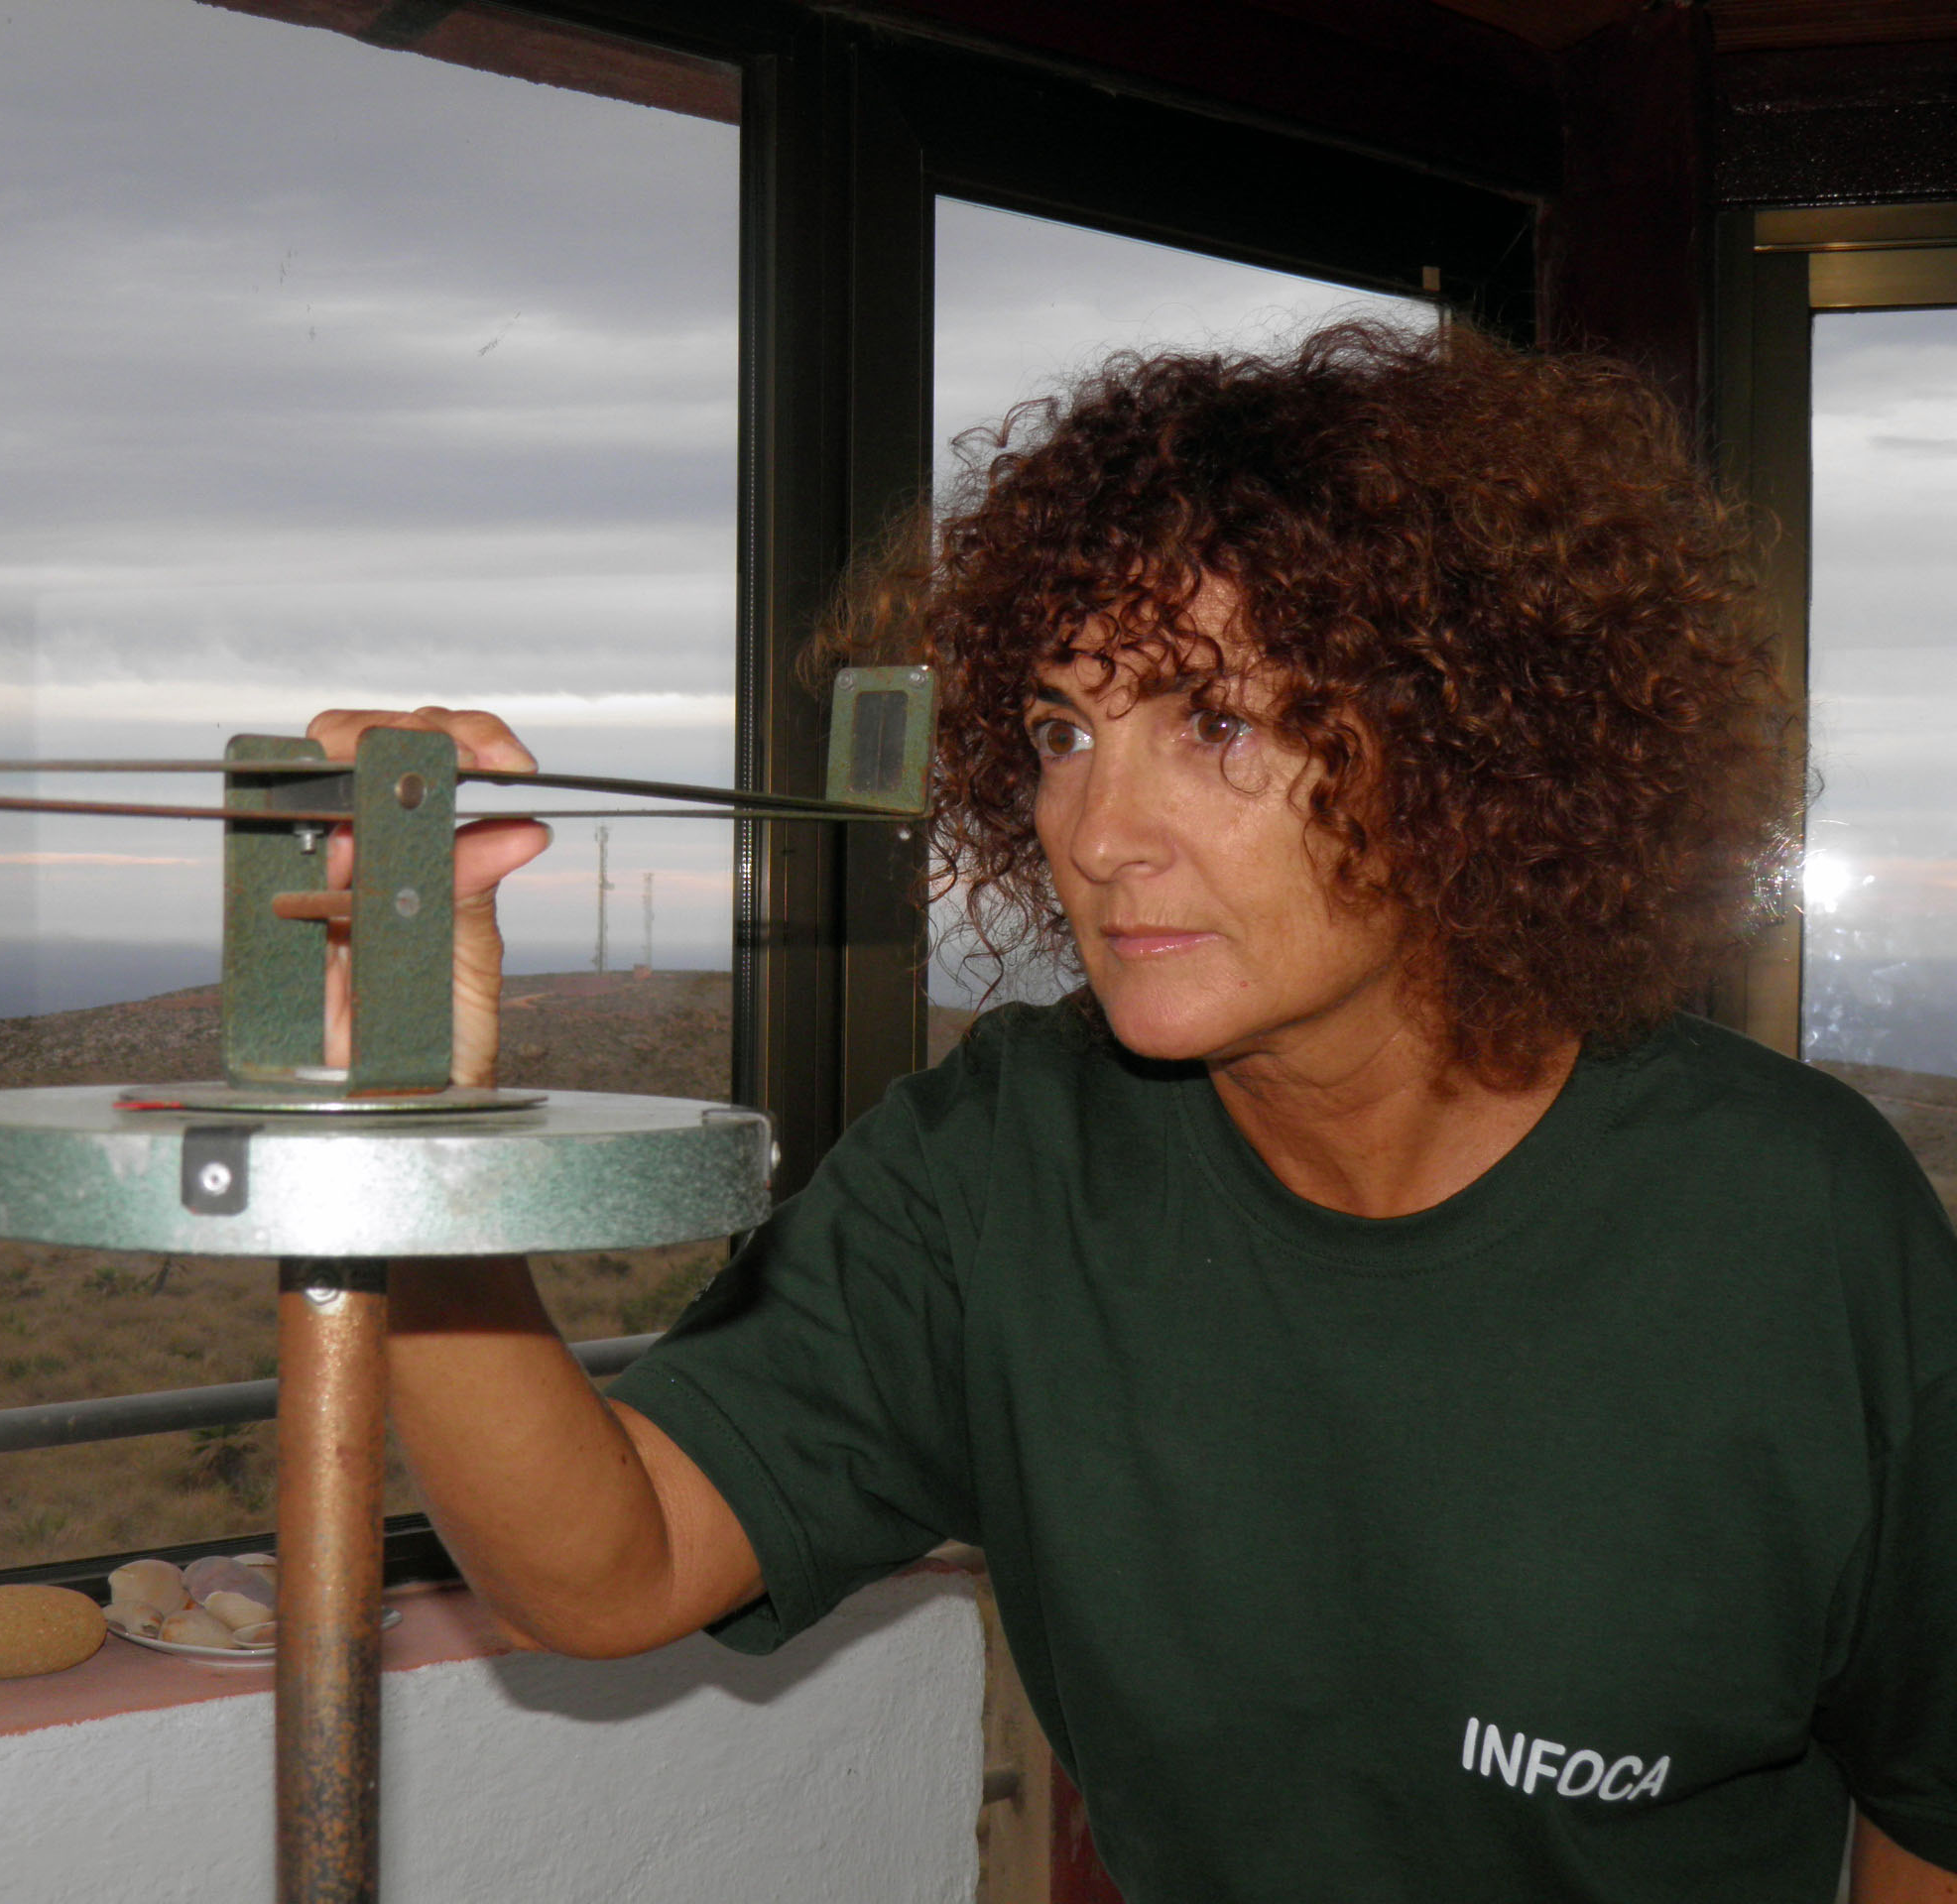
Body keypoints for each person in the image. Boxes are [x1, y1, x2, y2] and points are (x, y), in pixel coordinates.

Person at [305, 321, 1957, 1903]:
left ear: (1465, 746)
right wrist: (417, 1128)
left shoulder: (1792, 1221)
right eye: (1060, 731)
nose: (1097, 833)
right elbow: (603, 1569)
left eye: (1214, 723)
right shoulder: (1004, 1165)